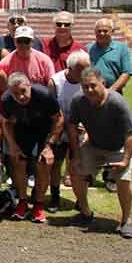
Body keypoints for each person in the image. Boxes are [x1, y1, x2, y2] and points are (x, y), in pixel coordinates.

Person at [67, 67, 132, 239]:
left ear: (103, 83)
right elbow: (71, 127)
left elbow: (131, 134)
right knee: (75, 171)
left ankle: (126, 220)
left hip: (120, 146)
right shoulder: (78, 101)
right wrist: (76, 155)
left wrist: (125, 160)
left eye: (93, 85)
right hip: (95, 144)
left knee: (123, 179)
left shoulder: (117, 102)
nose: (89, 90)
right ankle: (85, 212)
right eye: (85, 87)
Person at [1, 73, 63, 224]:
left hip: (43, 131)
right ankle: (22, 200)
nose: (21, 97)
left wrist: (50, 145)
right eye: (16, 94)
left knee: (44, 163)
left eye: (23, 91)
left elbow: (59, 118)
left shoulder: (44, 95)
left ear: (29, 85)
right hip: (22, 130)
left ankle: (38, 204)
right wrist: (13, 146)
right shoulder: (7, 99)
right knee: (17, 160)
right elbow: (6, 123)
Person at [47, 49, 90, 212]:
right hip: (59, 129)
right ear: (71, 68)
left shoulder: (88, 82)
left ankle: (81, 198)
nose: (86, 72)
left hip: (79, 130)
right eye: (82, 69)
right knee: (56, 164)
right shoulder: (55, 82)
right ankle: (55, 196)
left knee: (77, 165)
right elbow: (50, 109)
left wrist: (85, 126)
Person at [87, 17, 132, 93]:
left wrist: (111, 91)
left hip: (114, 93)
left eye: (105, 31)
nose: (102, 33)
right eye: (99, 31)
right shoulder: (88, 49)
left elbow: (126, 73)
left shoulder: (122, 48)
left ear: (112, 31)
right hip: (91, 93)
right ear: (95, 32)